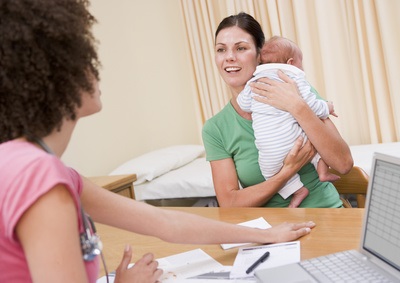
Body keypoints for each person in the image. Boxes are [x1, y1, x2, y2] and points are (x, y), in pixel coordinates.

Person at [0, 1, 317, 283]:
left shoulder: (43, 168)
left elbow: (165, 222)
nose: (95, 70)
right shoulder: (38, 176)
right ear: (59, 77)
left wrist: (265, 235)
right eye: (87, 60)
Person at [202, 12, 353, 208]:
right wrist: (287, 172)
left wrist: (296, 106)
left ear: (259, 54)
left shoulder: (295, 89)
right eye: (221, 50)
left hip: (326, 215)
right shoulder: (216, 129)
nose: (229, 57)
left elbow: (343, 163)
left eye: (241, 48)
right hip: (272, 232)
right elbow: (230, 203)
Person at [236, 36, 340, 208]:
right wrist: (328, 107)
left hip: (271, 149)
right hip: (297, 139)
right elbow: (312, 106)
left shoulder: (255, 81)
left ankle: (297, 190)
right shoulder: (294, 79)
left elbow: (244, 104)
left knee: (269, 171)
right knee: (316, 145)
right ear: (291, 62)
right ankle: (322, 171)